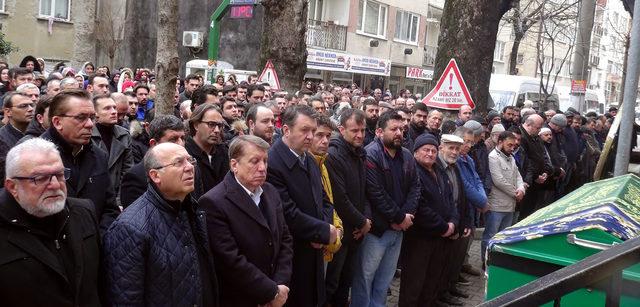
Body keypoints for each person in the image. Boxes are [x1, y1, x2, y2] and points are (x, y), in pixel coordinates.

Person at [103, 143, 219, 306]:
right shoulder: (130, 227)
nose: (189, 168)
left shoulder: (193, 210)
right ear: (155, 175)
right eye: (178, 163)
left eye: (190, 160)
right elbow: (126, 298)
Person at [0, 138, 101, 306]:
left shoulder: (84, 212)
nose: (55, 185)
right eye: (40, 178)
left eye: (60, 174)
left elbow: (99, 284)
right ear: (12, 187)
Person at [202, 135, 293, 307]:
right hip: (242, 298)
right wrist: (270, 291)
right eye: (254, 161)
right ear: (234, 165)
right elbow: (230, 260)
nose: (262, 168)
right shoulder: (214, 202)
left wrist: (280, 286)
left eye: (265, 161)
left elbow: (285, 239)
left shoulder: (270, 191)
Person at [266, 105, 338, 307]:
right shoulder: (273, 163)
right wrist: (321, 232)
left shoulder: (310, 160)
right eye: (304, 130)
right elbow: (286, 212)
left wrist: (323, 233)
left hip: (314, 249)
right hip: (292, 254)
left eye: (313, 131)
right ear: (286, 130)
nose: (310, 136)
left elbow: (325, 200)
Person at [351, 110, 420, 307]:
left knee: (385, 279)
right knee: (365, 277)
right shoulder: (370, 154)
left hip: (398, 230)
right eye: (394, 129)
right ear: (380, 132)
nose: (399, 133)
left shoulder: (406, 155)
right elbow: (375, 192)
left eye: (402, 129)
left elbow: (416, 187)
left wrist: (407, 216)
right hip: (377, 230)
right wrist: (399, 217)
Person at [40, 89, 120, 232]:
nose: (90, 124)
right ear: (57, 122)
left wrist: (97, 240)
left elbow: (110, 208)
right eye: (81, 117)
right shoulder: (34, 157)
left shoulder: (99, 156)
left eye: (92, 117)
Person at [399, 133, 458, 307]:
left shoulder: (439, 170)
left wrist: (453, 222)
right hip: (420, 238)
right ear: (416, 152)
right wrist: (443, 227)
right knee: (414, 283)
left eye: (433, 150)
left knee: (432, 280)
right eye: (426, 150)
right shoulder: (413, 172)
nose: (430, 154)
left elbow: (450, 199)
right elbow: (420, 207)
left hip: (440, 237)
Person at [324, 108, 371, 307]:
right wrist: (362, 222)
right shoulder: (334, 155)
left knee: (346, 281)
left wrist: (365, 221)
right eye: (355, 130)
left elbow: (365, 190)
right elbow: (339, 199)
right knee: (332, 284)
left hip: (356, 231)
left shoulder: (360, 153)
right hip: (342, 230)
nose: (360, 135)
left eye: (363, 130)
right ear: (342, 130)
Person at [120, 115, 195, 208]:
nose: (181, 144)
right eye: (173, 139)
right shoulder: (136, 177)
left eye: (182, 138)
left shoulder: (191, 166)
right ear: (154, 144)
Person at [482, 131, 525, 266]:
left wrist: (521, 189)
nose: (512, 148)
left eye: (513, 145)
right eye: (509, 145)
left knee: (503, 236)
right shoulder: (493, 157)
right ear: (500, 142)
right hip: (496, 205)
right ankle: (486, 262)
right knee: (490, 235)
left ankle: (498, 263)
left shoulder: (511, 157)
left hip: (510, 205)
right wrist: (515, 193)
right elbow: (498, 180)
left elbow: (518, 175)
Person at [309, 115, 344, 265]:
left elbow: (329, 203)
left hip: (328, 241)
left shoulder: (322, 164)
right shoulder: (306, 166)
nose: (325, 141)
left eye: (328, 136)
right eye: (319, 135)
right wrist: (329, 236)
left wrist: (338, 229)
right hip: (316, 244)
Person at [90, 94, 133, 195]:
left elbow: (127, 170)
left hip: (117, 195)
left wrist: (119, 200)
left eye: (114, 107)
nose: (114, 112)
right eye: (107, 108)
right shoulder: (87, 135)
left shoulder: (124, 135)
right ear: (95, 113)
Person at [186, 104, 230, 192]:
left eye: (220, 126)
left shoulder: (225, 152)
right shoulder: (185, 154)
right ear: (196, 125)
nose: (217, 130)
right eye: (211, 124)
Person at [518, 114, 552, 220]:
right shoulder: (521, 138)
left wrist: (546, 171)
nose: (539, 130)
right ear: (528, 125)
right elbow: (526, 161)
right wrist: (535, 176)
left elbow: (542, 155)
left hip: (537, 181)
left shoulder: (535, 137)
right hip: (527, 182)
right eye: (538, 128)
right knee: (523, 214)